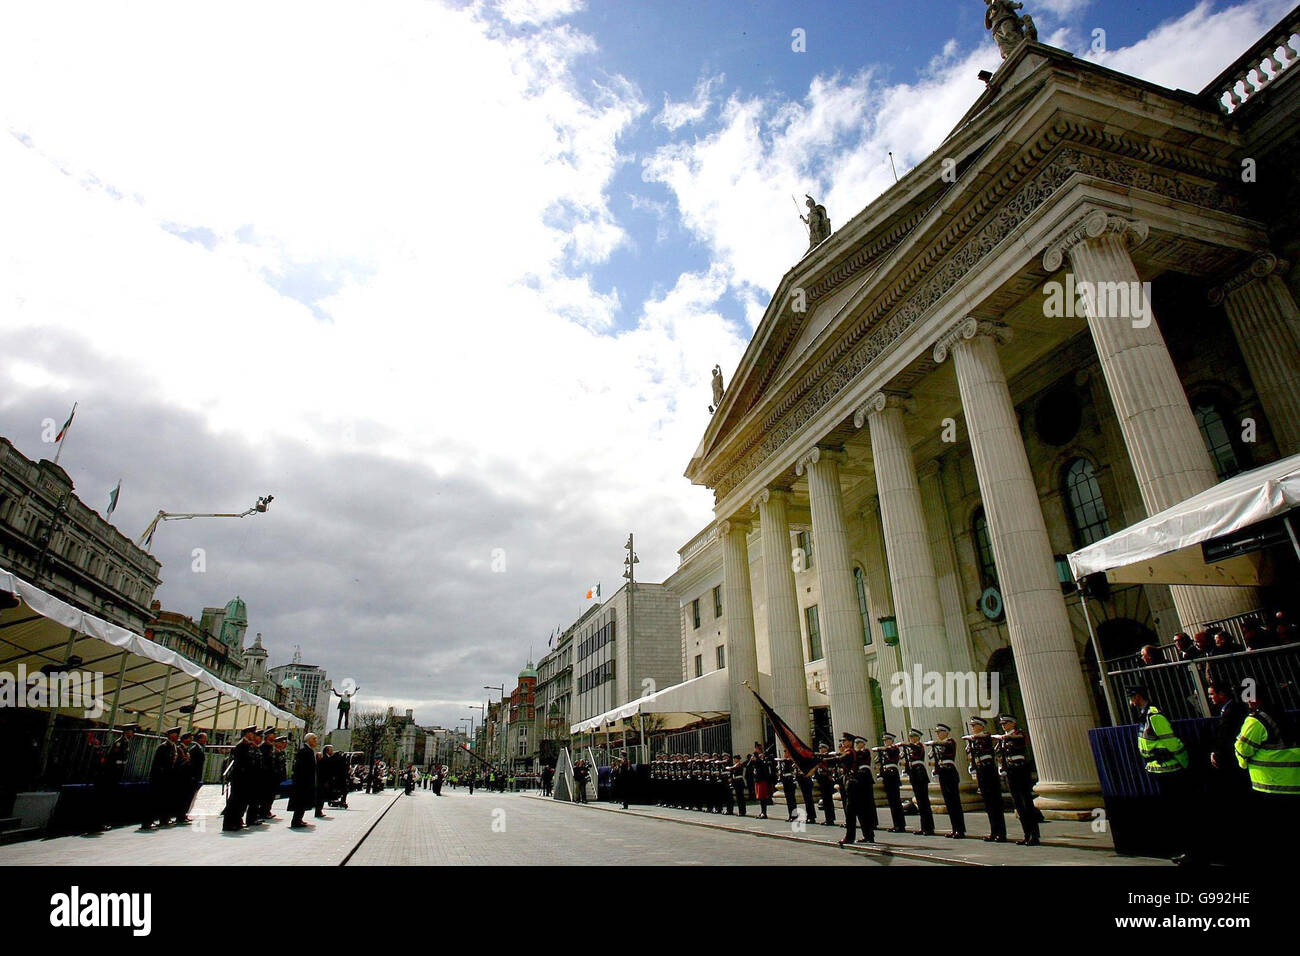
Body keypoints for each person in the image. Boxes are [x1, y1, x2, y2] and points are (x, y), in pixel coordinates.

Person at [1128, 684, 1195, 864]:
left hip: (1170, 769)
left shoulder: (1154, 715)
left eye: (1131, 697)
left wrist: (1185, 763)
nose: (1130, 702)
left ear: (1137, 697)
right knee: (1172, 812)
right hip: (1157, 768)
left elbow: (1172, 742)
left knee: (1179, 812)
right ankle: (1181, 850)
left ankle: (1189, 852)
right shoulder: (1144, 716)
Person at [1235, 694, 1300, 860]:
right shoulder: (1279, 713)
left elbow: (1243, 748)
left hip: (1270, 784)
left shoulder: (1256, 721)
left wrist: (1242, 763)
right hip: (1292, 780)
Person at [995, 714, 1040, 846]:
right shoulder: (1003, 739)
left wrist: (1007, 737)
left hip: (1020, 770)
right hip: (1010, 771)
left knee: (1026, 801)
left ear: (1013, 723)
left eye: (1006, 723)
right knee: (1018, 803)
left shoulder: (1018, 734)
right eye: (1002, 724)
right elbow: (1000, 754)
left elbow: (1023, 740)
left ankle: (1034, 834)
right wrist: (1001, 767)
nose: (1003, 726)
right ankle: (1026, 834)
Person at [964, 716, 1006, 842]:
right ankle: (994, 831)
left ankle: (1001, 832)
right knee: (988, 803)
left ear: (981, 726)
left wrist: (973, 740)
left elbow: (987, 741)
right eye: (971, 726)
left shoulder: (986, 736)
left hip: (989, 771)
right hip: (981, 771)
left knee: (995, 802)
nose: (972, 728)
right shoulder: (974, 740)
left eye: (974, 725)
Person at [89, 723, 136, 833]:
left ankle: (101, 822)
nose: (132, 734)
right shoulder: (119, 743)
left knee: (108, 799)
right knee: (105, 799)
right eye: (130, 731)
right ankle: (98, 823)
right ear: (126, 732)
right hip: (110, 775)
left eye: (132, 732)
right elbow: (113, 760)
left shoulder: (126, 743)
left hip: (115, 775)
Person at [837, 733, 877, 846]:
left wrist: (822, 760)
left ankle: (850, 837)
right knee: (861, 811)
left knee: (850, 812)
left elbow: (839, 759)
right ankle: (868, 835)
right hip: (854, 783)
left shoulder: (851, 752)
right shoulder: (852, 752)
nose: (842, 743)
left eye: (844, 741)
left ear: (850, 742)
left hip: (854, 784)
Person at [928, 724, 966, 838]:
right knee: (949, 802)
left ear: (946, 732)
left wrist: (935, 743)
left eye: (940, 732)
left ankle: (960, 829)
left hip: (950, 773)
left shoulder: (950, 742)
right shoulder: (938, 746)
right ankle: (954, 828)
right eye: (937, 732)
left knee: (955, 802)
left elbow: (946, 746)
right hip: (943, 773)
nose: (938, 734)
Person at [142, 726, 182, 830]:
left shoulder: (174, 747)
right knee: (154, 800)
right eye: (175, 735)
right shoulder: (163, 747)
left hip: (168, 778)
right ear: (170, 735)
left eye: (177, 735)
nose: (177, 737)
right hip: (160, 778)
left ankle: (164, 818)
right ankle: (147, 822)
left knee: (165, 800)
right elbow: (159, 763)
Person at [222, 726, 260, 832]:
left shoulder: (249, 745)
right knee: (235, 802)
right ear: (246, 733)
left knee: (242, 802)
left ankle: (237, 821)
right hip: (240, 779)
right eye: (252, 733)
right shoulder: (241, 745)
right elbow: (241, 764)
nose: (253, 735)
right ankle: (229, 823)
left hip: (247, 779)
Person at [902, 729, 936, 836]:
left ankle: (929, 827)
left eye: (913, 737)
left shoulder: (919, 746)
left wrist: (907, 745)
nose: (911, 739)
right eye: (910, 737)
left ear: (917, 737)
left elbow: (916, 750)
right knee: (920, 802)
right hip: (914, 775)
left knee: (924, 802)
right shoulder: (911, 748)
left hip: (920, 774)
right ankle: (924, 826)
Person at [873, 732, 907, 833]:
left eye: (887, 740)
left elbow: (891, 751)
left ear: (891, 740)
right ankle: (896, 824)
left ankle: (900, 825)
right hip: (887, 776)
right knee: (892, 801)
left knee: (896, 801)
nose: (885, 742)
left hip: (892, 775)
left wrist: (881, 749)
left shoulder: (894, 748)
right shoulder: (885, 751)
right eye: (884, 740)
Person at [289, 733, 319, 828]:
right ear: (308, 740)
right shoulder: (304, 751)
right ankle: (296, 821)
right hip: (302, 782)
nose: (315, 741)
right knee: (300, 802)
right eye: (314, 739)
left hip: (306, 781)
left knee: (303, 802)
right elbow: (300, 767)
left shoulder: (309, 751)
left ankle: (299, 819)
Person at [745, 743, 774, 819]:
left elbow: (763, 766)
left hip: (763, 780)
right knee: (760, 798)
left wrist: (757, 758)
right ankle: (762, 812)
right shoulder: (755, 760)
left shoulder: (761, 760)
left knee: (763, 797)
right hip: (757, 780)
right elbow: (747, 766)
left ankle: (764, 813)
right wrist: (751, 760)